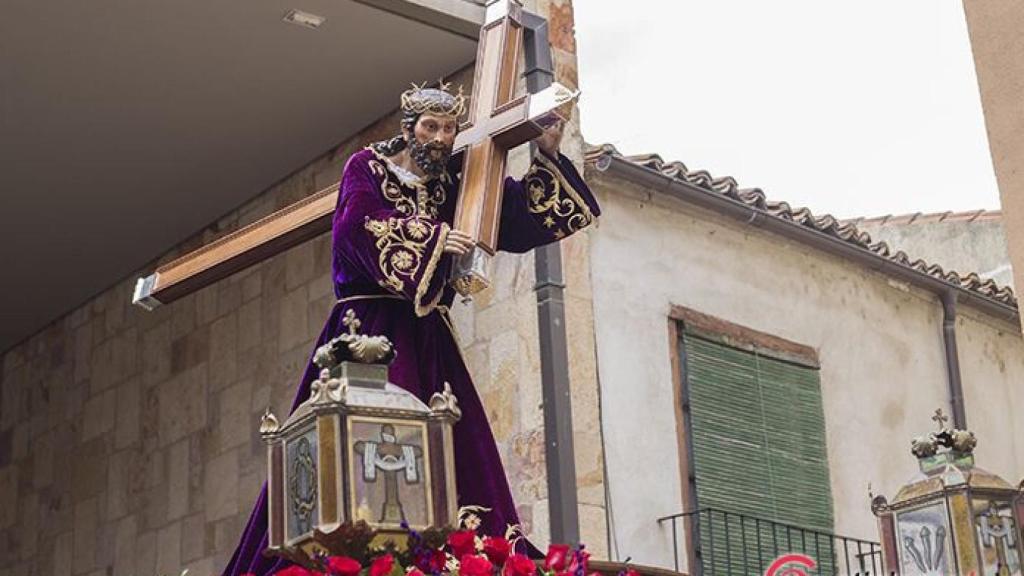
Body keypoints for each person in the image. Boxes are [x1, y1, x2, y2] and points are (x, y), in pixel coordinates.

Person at [223, 83, 600, 576]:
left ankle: (465, 549)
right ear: (410, 129)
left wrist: (546, 152)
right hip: (369, 329)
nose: (441, 138)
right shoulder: (368, 167)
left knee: (458, 447)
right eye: (431, 128)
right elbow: (355, 225)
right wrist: (435, 239)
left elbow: (509, 216)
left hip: (430, 334)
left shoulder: (457, 180)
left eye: (448, 129)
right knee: (360, 435)